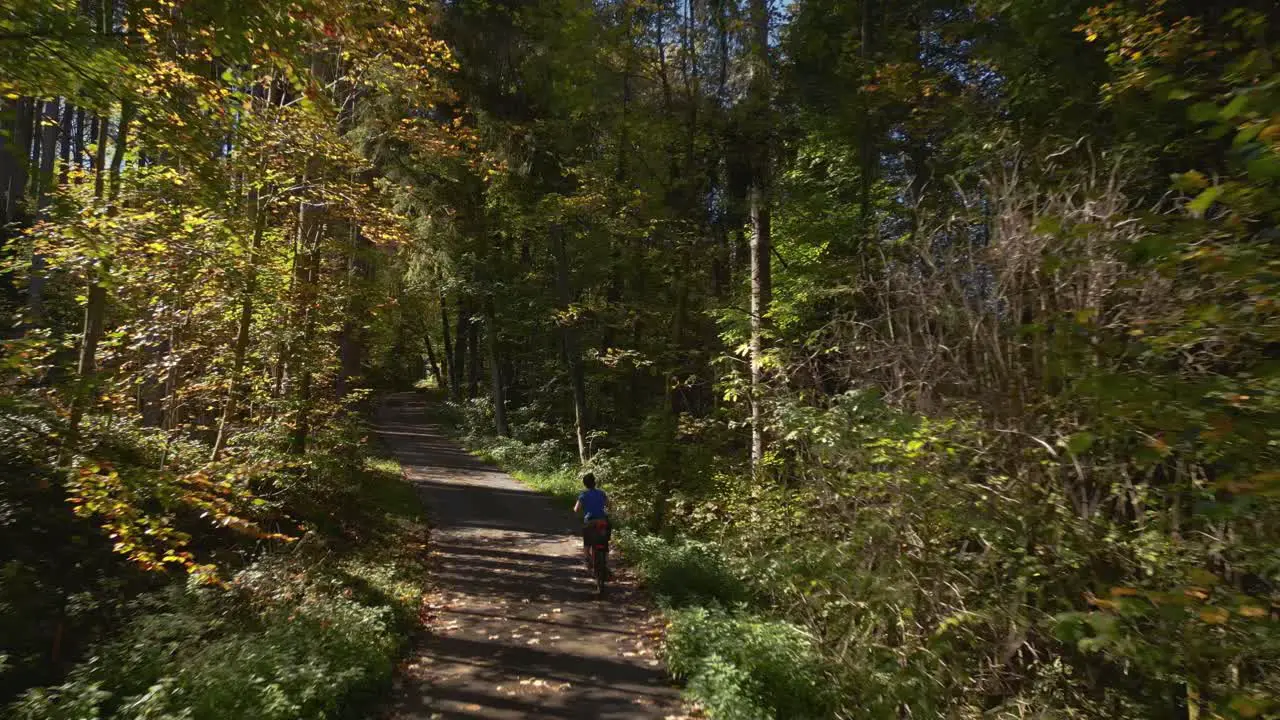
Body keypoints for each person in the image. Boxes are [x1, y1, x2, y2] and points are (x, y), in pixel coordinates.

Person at [573, 473, 610, 566]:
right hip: (602, 520)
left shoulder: (583, 494)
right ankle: (606, 564)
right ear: (595, 482)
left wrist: (580, 513)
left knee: (587, 543)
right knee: (604, 543)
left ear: (585, 484)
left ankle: (587, 560)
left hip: (590, 521)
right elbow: (609, 505)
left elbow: (576, 509)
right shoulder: (602, 493)